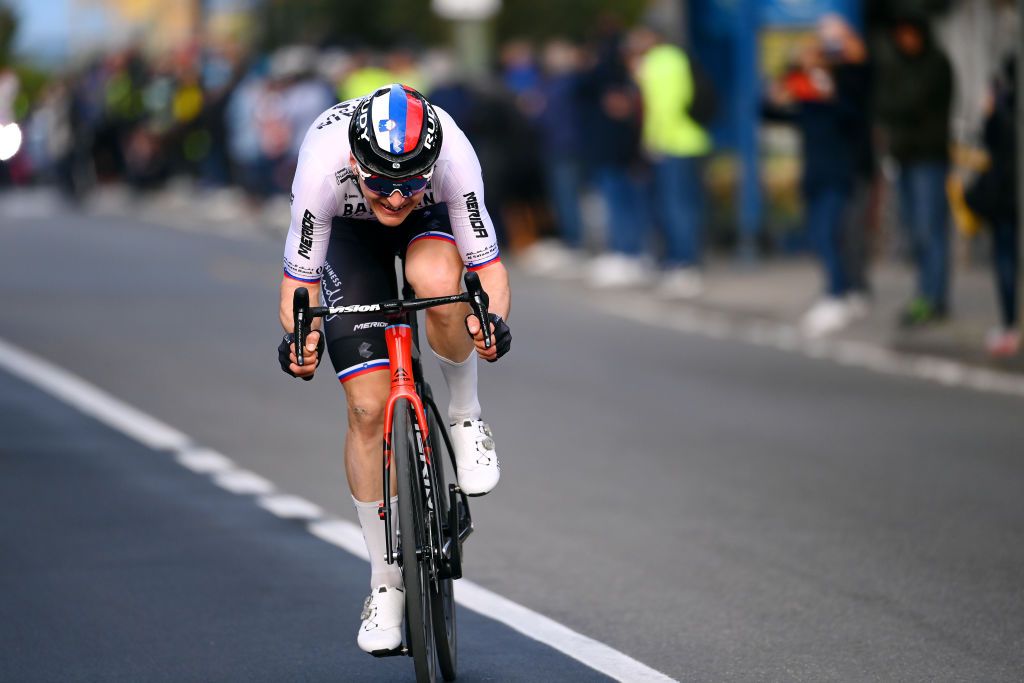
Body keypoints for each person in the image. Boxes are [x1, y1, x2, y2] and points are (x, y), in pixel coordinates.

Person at [276, 84, 511, 654]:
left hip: (433, 228)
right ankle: (385, 582)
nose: (398, 197)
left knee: (440, 286)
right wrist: (297, 341)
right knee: (365, 407)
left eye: (412, 182)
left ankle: (464, 416)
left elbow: (488, 268)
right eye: (383, 184)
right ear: (357, 163)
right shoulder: (322, 166)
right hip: (348, 239)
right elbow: (299, 285)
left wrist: (494, 324)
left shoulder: (452, 156)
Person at [874, 15, 954, 326]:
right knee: (914, 231)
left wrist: (898, 107)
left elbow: (909, 102)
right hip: (905, 157)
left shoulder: (935, 64)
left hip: (929, 158)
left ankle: (934, 298)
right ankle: (924, 293)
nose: (905, 40)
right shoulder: (896, 66)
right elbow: (884, 104)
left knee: (929, 228)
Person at [630, 26, 713, 299]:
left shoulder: (656, 63)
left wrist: (652, 140)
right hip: (693, 140)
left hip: (672, 143)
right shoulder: (678, 58)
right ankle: (687, 262)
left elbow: (662, 107)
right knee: (688, 204)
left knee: (675, 207)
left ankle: (684, 264)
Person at [968, 58, 1019, 357]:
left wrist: (991, 110)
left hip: (1006, 197)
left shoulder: (1003, 107)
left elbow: (990, 140)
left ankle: (1011, 324)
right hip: (1008, 196)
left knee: (1005, 258)